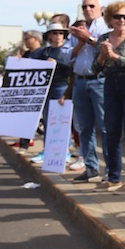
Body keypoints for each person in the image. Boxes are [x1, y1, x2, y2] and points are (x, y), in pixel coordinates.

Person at [92, 0, 125, 193]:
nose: (121, 20)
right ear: (109, 19)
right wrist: (102, 56)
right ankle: (113, 177)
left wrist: (114, 56)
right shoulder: (103, 39)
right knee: (111, 131)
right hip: (110, 84)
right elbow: (95, 68)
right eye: (117, 17)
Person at [68, 0, 110, 182]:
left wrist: (90, 39)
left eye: (91, 6)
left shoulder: (107, 28)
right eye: (84, 6)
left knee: (105, 126)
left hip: (99, 81)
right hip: (80, 81)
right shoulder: (77, 29)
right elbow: (67, 55)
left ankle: (111, 169)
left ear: (100, 8)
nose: (87, 9)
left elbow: (109, 52)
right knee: (84, 127)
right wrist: (80, 41)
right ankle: (91, 167)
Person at [30, 22, 75, 165]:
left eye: (61, 33)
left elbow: (71, 66)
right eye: (55, 33)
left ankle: (65, 151)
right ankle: (47, 150)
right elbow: (31, 62)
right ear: (49, 35)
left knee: (62, 120)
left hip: (61, 86)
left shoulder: (68, 49)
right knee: (47, 119)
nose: (58, 36)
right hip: (46, 88)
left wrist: (57, 63)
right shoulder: (44, 51)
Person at [15, 30, 46, 152]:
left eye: (27, 39)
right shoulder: (26, 54)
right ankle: (24, 144)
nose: (25, 42)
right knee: (26, 118)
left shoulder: (44, 52)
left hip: (42, 91)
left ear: (36, 39)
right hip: (28, 91)